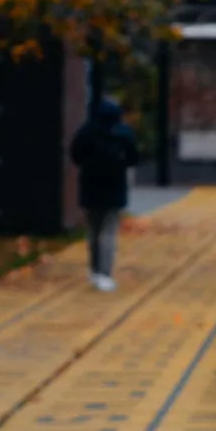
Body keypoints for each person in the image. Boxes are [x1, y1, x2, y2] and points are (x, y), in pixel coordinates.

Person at [70, 98, 138, 292]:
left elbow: (75, 155)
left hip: (90, 186)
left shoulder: (87, 132)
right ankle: (105, 274)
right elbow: (133, 158)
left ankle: (94, 270)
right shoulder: (125, 133)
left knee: (93, 229)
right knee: (109, 232)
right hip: (115, 187)